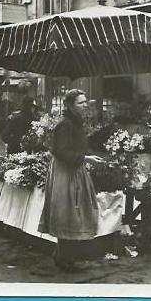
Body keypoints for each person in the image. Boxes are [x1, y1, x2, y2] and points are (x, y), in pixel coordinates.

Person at [38, 89, 104, 271]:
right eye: (80, 103)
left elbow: (78, 146)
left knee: (74, 212)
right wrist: (86, 159)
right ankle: (64, 257)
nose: (85, 106)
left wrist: (90, 155)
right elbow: (61, 151)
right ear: (69, 105)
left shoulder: (76, 123)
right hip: (65, 171)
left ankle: (64, 255)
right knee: (67, 211)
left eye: (85, 102)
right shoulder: (65, 125)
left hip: (74, 169)